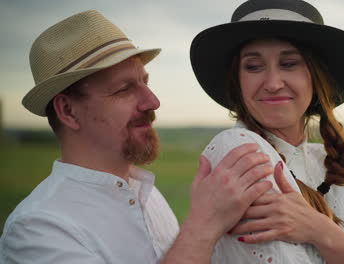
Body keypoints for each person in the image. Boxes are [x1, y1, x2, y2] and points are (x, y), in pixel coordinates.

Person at [0, 10, 274, 263]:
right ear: (68, 111)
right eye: (123, 89)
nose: (152, 101)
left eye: (145, 82)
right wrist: (204, 225)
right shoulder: (38, 228)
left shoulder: (146, 193)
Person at [190, 0, 344, 263]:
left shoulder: (337, 167)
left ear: (317, 78)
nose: (272, 83)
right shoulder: (239, 148)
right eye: (253, 66)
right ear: (237, 81)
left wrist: (321, 230)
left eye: (289, 63)